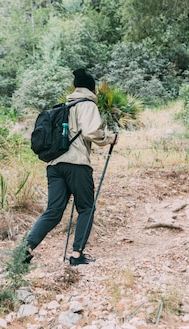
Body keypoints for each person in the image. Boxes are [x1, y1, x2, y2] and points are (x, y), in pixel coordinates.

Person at [23, 68, 118, 266]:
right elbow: (91, 132)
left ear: (75, 87)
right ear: (92, 89)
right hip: (77, 164)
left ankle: (27, 248)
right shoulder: (88, 105)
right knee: (86, 208)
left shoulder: (63, 107)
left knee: (53, 211)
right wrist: (110, 139)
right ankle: (76, 255)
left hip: (54, 165)